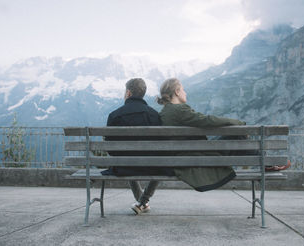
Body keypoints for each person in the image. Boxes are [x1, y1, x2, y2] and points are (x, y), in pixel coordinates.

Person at [157, 78, 290, 192]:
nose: (185, 92)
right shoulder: (180, 110)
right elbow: (208, 120)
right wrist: (237, 123)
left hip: (184, 157)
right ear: (177, 92)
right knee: (237, 136)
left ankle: (266, 163)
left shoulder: (164, 112)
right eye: (183, 89)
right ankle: (266, 162)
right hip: (196, 157)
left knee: (236, 138)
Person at [103, 78, 173, 215]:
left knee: (125, 158)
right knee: (160, 162)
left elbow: (111, 149)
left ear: (128, 93)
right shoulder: (154, 115)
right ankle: (143, 201)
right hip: (152, 167)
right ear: (143, 94)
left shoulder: (114, 115)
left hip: (124, 167)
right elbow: (162, 147)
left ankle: (142, 201)